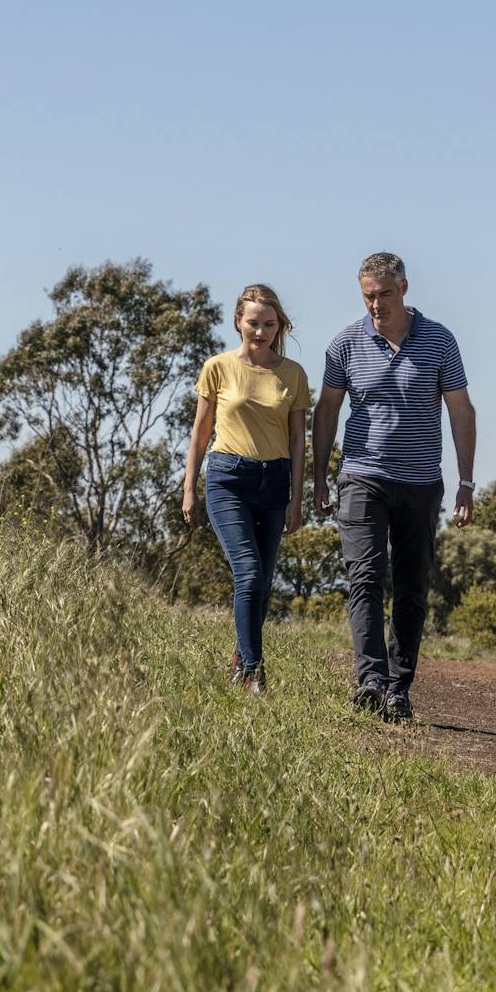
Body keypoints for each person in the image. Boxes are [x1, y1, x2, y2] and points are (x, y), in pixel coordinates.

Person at [313, 252, 476, 723]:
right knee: (364, 576)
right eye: (368, 296)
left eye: (384, 294)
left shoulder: (440, 340)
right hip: (362, 475)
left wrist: (466, 482)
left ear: (403, 288)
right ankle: (370, 679)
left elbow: (461, 410)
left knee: (411, 586)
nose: (376, 304)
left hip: (422, 481)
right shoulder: (344, 343)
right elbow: (327, 411)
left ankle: (398, 687)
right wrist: (321, 475)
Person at [182, 284, 309, 694]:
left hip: (274, 482)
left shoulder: (292, 374)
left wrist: (296, 498)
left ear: (279, 326)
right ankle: (253, 671)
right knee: (249, 573)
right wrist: (189, 488)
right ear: (238, 320)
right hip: (227, 479)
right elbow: (200, 433)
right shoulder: (217, 367)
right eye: (253, 323)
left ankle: (240, 658)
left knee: (262, 582)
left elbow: (297, 442)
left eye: (269, 324)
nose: (260, 331)